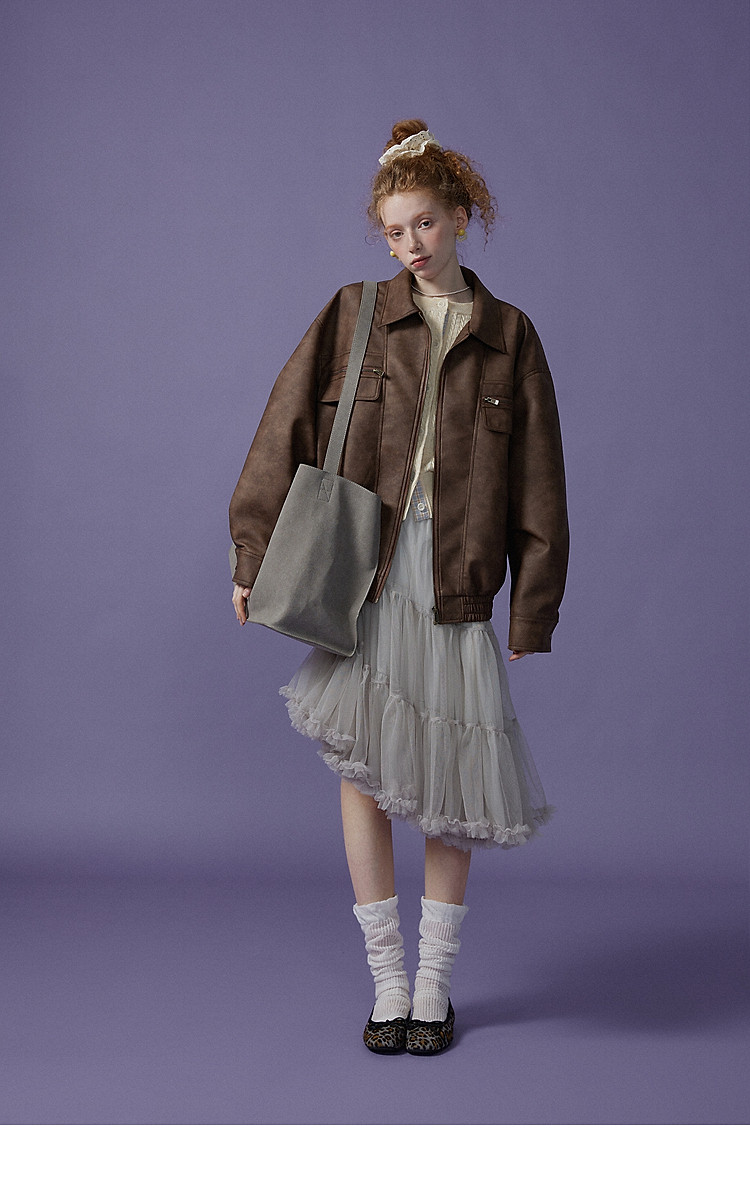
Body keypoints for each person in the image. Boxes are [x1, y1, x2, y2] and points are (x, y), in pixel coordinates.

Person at [229, 119, 569, 1055]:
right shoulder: (355, 314)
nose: (410, 244)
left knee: (450, 776)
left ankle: (433, 986)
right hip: (366, 575)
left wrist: (533, 606)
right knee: (366, 773)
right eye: (393, 230)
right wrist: (251, 554)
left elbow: (540, 481)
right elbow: (283, 432)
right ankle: (386, 978)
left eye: (424, 223)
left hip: (454, 580)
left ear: (460, 215)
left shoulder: (510, 336)